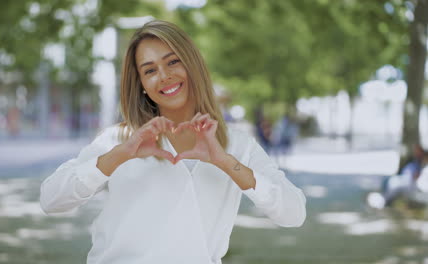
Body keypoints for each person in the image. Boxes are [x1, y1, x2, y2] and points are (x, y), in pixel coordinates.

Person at [40, 20, 306, 264]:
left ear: (192, 64)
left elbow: (294, 214)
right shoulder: (120, 139)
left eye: (173, 62)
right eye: (150, 70)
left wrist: (225, 162)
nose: (164, 76)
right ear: (142, 84)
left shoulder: (238, 145)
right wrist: (120, 154)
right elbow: (51, 199)